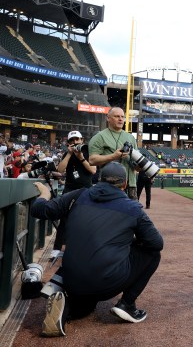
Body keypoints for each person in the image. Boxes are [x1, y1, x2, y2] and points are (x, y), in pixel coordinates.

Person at [30, 162, 163, 337]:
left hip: (73, 279)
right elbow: (156, 243)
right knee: (153, 255)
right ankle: (127, 305)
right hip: (107, 282)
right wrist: (129, 243)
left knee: (86, 305)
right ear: (124, 184)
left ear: (99, 179)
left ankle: (67, 309)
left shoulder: (78, 195)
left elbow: (39, 210)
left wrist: (45, 194)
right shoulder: (132, 207)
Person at [51, 130, 97, 259]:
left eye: (77, 139)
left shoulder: (88, 152)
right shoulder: (67, 153)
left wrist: (81, 157)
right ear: (68, 143)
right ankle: (57, 248)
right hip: (69, 189)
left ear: (82, 140)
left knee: (85, 219)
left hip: (85, 190)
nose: (75, 142)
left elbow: (93, 170)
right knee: (64, 219)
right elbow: (60, 170)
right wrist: (70, 154)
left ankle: (82, 248)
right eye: (72, 140)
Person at [88, 107, 139, 199]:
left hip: (130, 184)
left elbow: (136, 164)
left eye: (122, 117)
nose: (120, 119)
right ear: (108, 118)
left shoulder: (131, 137)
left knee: (131, 212)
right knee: (110, 212)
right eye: (116, 116)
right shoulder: (99, 137)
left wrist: (139, 166)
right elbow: (92, 160)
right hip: (109, 184)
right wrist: (113, 156)